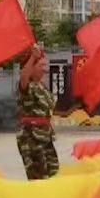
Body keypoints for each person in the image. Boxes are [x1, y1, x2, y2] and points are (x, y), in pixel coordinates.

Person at [16, 45, 59, 180]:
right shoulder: (27, 87)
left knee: (53, 175)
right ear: (32, 67)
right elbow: (23, 78)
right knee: (39, 179)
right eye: (41, 65)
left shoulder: (42, 87)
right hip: (32, 139)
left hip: (46, 137)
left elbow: (50, 109)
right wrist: (32, 57)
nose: (44, 69)